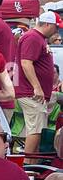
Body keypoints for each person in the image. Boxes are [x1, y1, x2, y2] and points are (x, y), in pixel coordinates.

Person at [14, 11, 60, 155]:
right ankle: (27, 165)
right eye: (56, 27)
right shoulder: (33, 37)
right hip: (30, 93)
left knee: (37, 130)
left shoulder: (38, 38)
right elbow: (26, 63)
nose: (57, 30)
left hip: (33, 93)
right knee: (35, 129)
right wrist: (37, 87)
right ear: (47, 24)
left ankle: (31, 164)